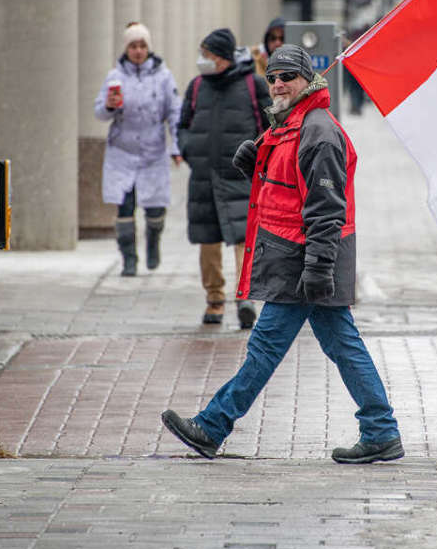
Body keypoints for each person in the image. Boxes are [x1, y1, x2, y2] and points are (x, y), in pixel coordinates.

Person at [162, 44, 403, 465]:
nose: (277, 83)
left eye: (287, 76)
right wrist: (257, 165)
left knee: (265, 348)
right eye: (272, 76)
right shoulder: (288, 127)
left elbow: (327, 210)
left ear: (307, 81)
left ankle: (213, 425)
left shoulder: (318, 132)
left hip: (306, 261)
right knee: (343, 346)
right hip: (300, 259)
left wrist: (317, 268)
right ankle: (381, 431)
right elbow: (285, 192)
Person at [177, 27, 270, 328]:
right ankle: (214, 300)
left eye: (208, 55)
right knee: (208, 241)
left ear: (223, 57)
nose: (203, 60)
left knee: (243, 239)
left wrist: (258, 161)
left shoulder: (252, 85)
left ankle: (245, 297)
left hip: (240, 176)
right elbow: (183, 125)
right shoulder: (196, 87)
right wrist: (188, 148)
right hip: (203, 177)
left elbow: (270, 126)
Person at [94, 22, 182, 277]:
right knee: (125, 207)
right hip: (122, 153)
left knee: (155, 208)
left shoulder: (163, 76)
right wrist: (109, 107)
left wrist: (176, 146)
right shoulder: (115, 77)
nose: (138, 50)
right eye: (133, 45)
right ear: (126, 48)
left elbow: (174, 112)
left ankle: (153, 242)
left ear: (149, 48)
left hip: (153, 152)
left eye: (142, 45)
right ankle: (129, 259)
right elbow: (98, 111)